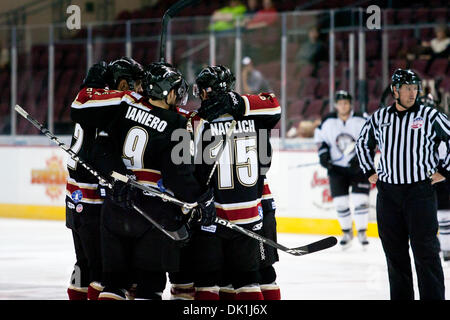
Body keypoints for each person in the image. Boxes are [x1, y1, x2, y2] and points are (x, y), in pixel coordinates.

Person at [70, 62, 216, 300]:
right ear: (167, 92)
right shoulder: (177, 123)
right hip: (153, 216)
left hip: (115, 210)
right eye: (176, 90)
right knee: (149, 288)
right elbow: (176, 175)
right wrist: (200, 198)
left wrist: (119, 180)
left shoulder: (124, 107)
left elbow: (101, 149)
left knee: (114, 285)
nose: (179, 96)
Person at [356, 68, 449, 300]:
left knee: (426, 252)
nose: (412, 92)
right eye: (407, 88)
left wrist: (445, 170)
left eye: (415, 87)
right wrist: (369, 170)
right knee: (395, 255)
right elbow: (361, 144)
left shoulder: (430, 115)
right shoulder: (380, 117)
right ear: (395, 91)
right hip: (388, 195)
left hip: (419, 192)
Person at [190, 65, 281, 300]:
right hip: (253, 211)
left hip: (214, 214)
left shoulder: (197, 122)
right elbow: (274, 104)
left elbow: (187, 169)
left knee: (210, 280)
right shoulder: (254, 115)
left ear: (207, 91)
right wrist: (239, 104)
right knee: (252, 278)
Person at [65, 57, 144, 300]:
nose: (140, 90)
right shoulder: (109, 107)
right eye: (137, 84)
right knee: (103, 274)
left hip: (74, 199)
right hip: (92, 203)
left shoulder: (97, 103)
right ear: (122, 84)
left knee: (83, 267)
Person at [314, 90, 370, 249]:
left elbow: (370, 141)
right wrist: (323, 155)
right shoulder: (328, 120)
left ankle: (362, 232)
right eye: (340, 103)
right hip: (337, 168)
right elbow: (321, 141)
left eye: (346, 102)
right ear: (336, 105)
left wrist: (360, 159)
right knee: (340, 203)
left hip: (358, 167)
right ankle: (347, 232)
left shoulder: (362, 119)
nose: (343, 105)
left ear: (350, 104)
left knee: (360, 201)